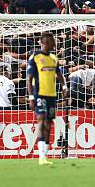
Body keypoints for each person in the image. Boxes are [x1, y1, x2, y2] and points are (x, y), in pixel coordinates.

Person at [26, 32, 67, 165]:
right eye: (51, 42)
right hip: (39, 94)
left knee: (49, 123)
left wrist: (64, 87)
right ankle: (41, 157)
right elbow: (29, 78)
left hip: (51, 96)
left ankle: (45, 155)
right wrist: (31, 96)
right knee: (41, 120)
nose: (54, 44)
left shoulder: (54, 58)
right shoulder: (35, 57)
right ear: (44, 43)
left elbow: (59, 74)